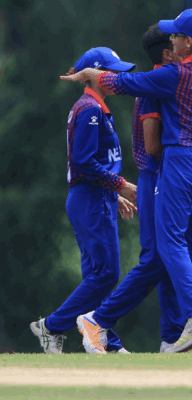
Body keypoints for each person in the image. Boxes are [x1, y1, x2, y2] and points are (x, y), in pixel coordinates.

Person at [61, 8, 192, 352]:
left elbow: (122, 83)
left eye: (177, 35)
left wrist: (91, 74)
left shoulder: (174, 73)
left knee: (169, 245)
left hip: (181, 160)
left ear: (188, 43)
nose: (173, 40)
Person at [30, 47, 137, 354]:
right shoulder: (90, 109)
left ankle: (107, 342)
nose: (116, 77)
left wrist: (113, 193)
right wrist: (121, 186)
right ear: (94, 75)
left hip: (95, 196)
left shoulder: (95, 107)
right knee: (107, 274)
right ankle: (51, 326)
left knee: (96, 276)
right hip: (90, 198)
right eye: (111, 71)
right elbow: (84, 162)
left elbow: (95, 162)